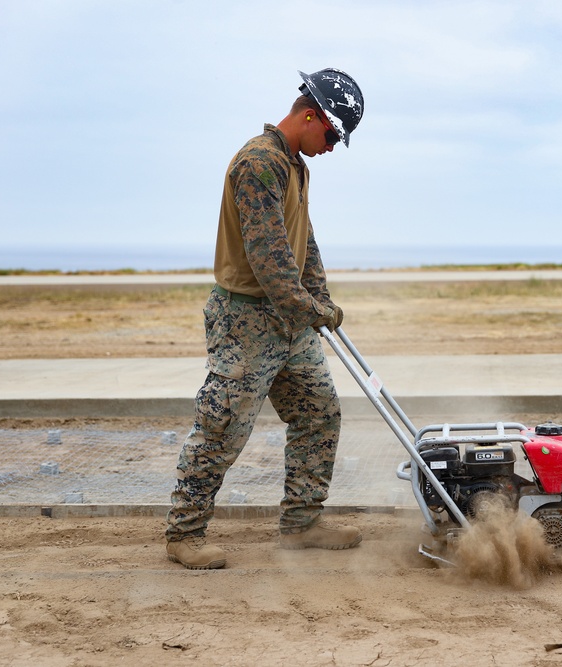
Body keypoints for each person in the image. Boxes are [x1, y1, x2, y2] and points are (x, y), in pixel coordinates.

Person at [164, 68, 365, 569]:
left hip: (290, 323)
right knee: (222, 428)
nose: (333, 147)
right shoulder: (258, 164)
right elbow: (270, 260)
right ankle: (184, 535)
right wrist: (313, 308)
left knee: (318, 412)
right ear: (310, 115)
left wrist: (320, 297)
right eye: (333, 135)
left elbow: (304, 243)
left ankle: (302, 523)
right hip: (247, 321)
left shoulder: (295, 166)